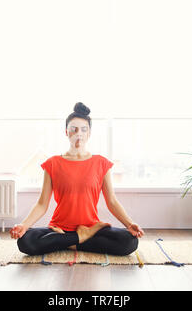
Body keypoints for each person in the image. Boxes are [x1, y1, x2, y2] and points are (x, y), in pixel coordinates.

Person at [11, 102, 145, 256]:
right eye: (73, 129)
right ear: (66, 132)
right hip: (59, 228)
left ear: (89, 133)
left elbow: (112, 201)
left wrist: (129, 223)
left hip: (92, 227)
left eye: (83, 129)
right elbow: (42, 204)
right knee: (25, 241)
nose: (78, 133)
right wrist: (24, 225)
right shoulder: (53, 163)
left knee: (129, 241)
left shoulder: (101, 163)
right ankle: (80, 238)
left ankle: (67, 242)